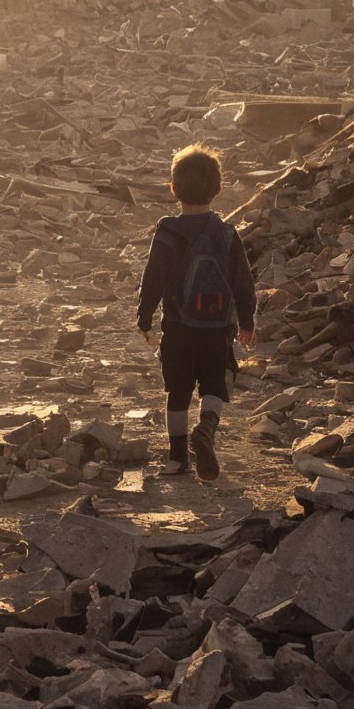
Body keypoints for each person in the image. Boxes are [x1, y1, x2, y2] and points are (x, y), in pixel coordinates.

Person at [136, 145, 256, 480]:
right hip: (218, 327)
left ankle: (177, 459)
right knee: (214, 387)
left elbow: (154, 277)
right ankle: (206, 429)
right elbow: (243, 282)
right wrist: (246, 322)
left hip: (178, 325)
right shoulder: (227, 233)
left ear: (173, 188)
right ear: (218, 190)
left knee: (178, 391)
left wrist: (144, 317)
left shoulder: (168, 230)